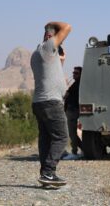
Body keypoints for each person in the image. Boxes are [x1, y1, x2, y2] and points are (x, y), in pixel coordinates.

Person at [30, 21, 72, 186]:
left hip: (40, 102)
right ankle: (48, 172)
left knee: (46, 140)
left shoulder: (39, 52)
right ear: (50, 36)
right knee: (62, 137)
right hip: (50, 103)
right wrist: (50, 24)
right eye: (57, 38)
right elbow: (67, 27)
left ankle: (45, 175)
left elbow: (54, 71)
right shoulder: (47, 47)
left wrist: (61, 59)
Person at [64, 66, 83, 156]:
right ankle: (82, 148)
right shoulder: (76, 84)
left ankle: (75, 150)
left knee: (72, 133)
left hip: (73, 110)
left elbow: (66, 95)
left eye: (76, 73)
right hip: (73, 110)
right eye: (73, 73)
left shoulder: (78, 84)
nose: (74, 75)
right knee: (73, 133)